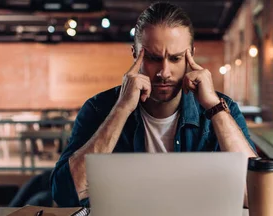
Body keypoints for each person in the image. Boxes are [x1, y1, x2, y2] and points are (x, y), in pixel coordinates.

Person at [51, 2, 258, 207]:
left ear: (191, 56)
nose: (164, 72)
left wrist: (214, 106)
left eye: (176, 58)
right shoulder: (98, 108)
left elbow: (254, 196)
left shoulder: (220, 107)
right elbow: (64, 194)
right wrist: (121, 110)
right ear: (135, 54)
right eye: (152, 58)